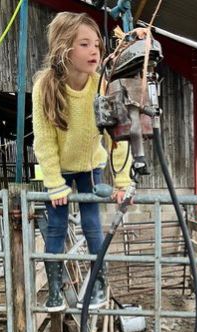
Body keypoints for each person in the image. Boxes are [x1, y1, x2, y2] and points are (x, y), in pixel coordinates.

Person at [32, 12, 133, 312]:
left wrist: (123, 181)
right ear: (65, 49)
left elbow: (118, 136)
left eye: (97, 46)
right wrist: (54, 185)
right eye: (84, 44)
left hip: (91, 165)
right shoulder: (46, 89)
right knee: (56, 227)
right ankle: (54, 290)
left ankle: (98, 284)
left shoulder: (101, 85)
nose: (94, 52)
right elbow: (44, 142)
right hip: (60, 168)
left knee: (91, 222)